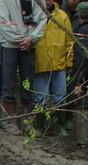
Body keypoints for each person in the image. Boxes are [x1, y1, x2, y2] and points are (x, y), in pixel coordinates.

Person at [0, 0, 47, 134]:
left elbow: (42, 19)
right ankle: (10, 120)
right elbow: (2, 23)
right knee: (9, 82)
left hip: (30, 45)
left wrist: (31, 38)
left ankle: (27, 122)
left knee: (28, 83)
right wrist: (21, 39)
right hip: (9, 45)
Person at [32, 0, 73, 135]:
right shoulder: (34, 15)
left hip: (59, 63)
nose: (48, 1)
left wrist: (69, 62)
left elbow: (69, 41)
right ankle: (39, 126)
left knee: (60, 97)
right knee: (41, 98)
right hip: (40, 63)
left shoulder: (62, 16)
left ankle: (60, 126)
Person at [72, 2, 88, 144]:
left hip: (85, 76)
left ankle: (82, 141)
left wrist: (79, 82)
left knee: (83, 106)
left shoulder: (83, 31)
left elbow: (82, 59)